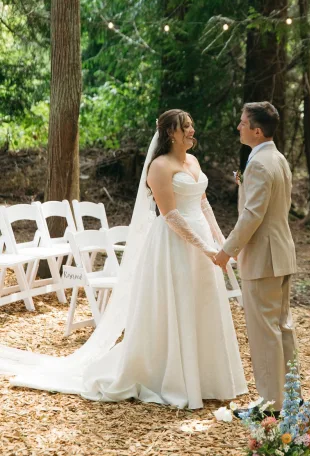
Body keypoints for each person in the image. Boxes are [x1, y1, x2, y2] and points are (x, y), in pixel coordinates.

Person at [0, 109, 247, 410]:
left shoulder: (193, 162)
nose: (193, 131)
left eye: (192, 125)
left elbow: (203, 206)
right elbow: (170, 215)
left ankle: (206, 378)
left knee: (202, 303)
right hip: (175, 245)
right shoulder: (159, 166)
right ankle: (172, 379)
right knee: (177, 304)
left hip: (203, 244)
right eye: (187, 127)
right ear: (171, 133)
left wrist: (222, 243)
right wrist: (205, 249)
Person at [214, 101, 298, 415]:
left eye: (243, 122)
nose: (239, 126)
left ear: (257, 130)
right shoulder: (278, 158)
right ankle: (291, 399)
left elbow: (252, 215)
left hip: (264, 258)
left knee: (265, 335)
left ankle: (269, 407)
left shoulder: (260, 164)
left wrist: (226, 251)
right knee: (282, 329)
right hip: (281, 253)